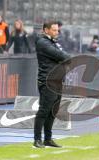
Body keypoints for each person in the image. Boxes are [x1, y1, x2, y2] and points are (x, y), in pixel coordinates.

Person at [34, 20, 70, 148]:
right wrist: (64, 58)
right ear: (46, 30)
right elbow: (63, 56)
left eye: (57, 30)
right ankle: (37, 140)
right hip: (47, 81)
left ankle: (47, 139)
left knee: (52, 112)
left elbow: (64, 57)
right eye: (54, 30)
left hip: (57, 81)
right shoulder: (43, 42)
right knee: (44, 110)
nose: (57, 32)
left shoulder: (53, 42)